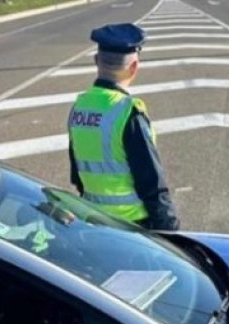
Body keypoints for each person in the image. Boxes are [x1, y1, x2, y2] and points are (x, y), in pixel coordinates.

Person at [68, 23, 179, 231]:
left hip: (95, 222)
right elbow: (152, 184)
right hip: (133, 227)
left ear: (96, 61)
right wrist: (170, 230)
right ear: (134, 67)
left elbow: (78, 176)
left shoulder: (78, 108)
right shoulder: (127, 112)